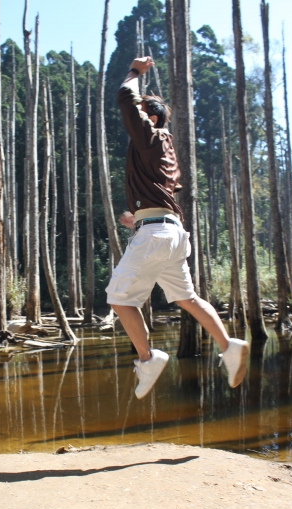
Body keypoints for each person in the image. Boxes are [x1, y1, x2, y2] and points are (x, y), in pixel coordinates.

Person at [105, 56, 249, 399]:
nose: (132, 124)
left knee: (119, 300)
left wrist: (136, 71)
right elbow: (159, 198)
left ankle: (148, 357)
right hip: (169, 233)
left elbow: (125, 97)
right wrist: (136, 219)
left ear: (150, 117)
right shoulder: (165, 152)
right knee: (187, 297)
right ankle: (228, 345)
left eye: (141, 116)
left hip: (156, 235)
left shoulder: (150, 137)